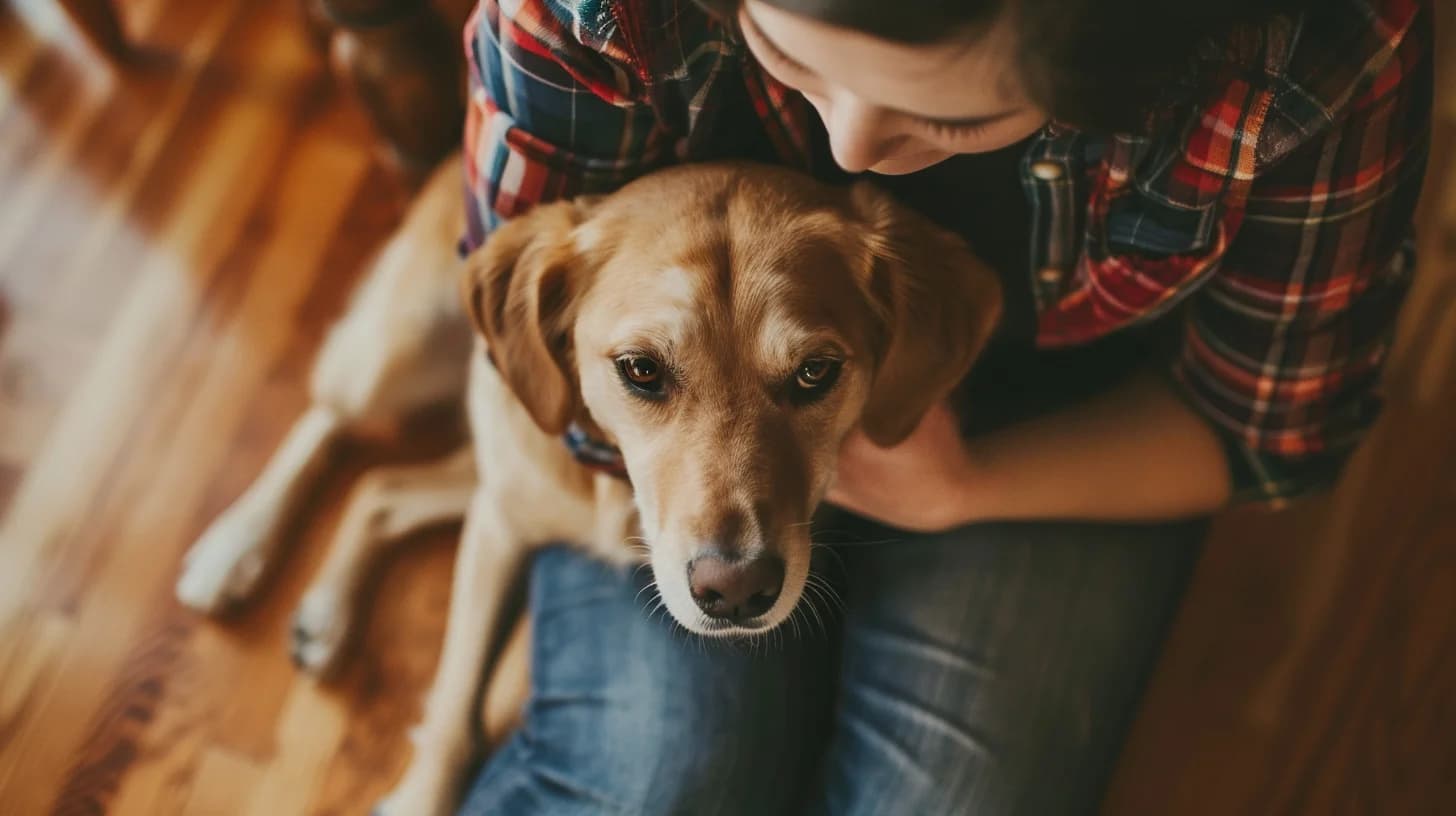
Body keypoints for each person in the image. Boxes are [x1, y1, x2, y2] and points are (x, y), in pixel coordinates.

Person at [455, 0, 1432, 812]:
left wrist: (963, 489)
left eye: (949, 119)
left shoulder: (1312, 58)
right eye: (788, 53)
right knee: (646, 787)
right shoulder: (587, 12)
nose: (853, 147)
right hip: (700, 449)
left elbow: (1267, 425)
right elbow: (532, 343)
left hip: (1077, 415)